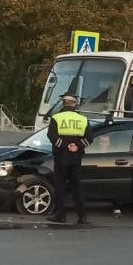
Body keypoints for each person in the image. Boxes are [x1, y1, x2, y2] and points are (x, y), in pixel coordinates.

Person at [46, 95, 90, 224]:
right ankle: (82, 216)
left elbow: (52, 136)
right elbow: (90, 137)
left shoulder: (56, 118)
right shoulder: (83, 119)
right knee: (77, 186)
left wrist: (65, 145)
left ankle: (60, 215)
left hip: (61, 156)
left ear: (63, 104)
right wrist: (77, 145)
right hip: (76, 157)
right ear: (75, 105)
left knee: (60, 186)